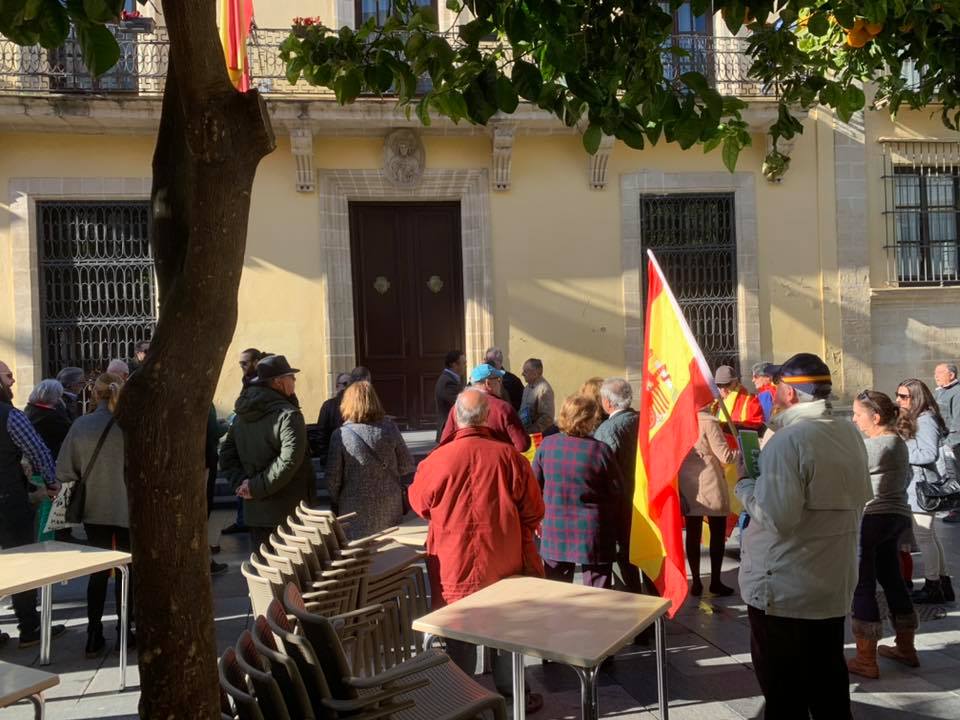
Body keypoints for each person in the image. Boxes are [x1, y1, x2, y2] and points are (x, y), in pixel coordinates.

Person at [734, 353, 872, 719]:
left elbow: (776, 516)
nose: (773, 394)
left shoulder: (787, 440)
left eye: (777, 387)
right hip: (829, 585)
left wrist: (746, 485)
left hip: (784, 592)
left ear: (791, 394)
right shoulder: (848, 432)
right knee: (828, 689)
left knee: (784, 697)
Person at [409, 388, 545, 714]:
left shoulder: (436, 460)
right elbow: (534, 509)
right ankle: (512, 696)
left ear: (455, 417)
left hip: (452, 560)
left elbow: (418, 503)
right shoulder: (509, 457)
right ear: (485, 417)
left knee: (459, 629)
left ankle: (461, 700)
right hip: (503, 560)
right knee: (504, 628)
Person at [56, 372, 131, 657]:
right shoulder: (130, 427)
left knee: (98, 573)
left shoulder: (81, 426)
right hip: (127, 508)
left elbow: (64, 470)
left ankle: (93, 634)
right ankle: (126, 631)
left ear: (94, 394)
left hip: (93, 509)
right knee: (128, 572)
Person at [847, 390, 918, 678]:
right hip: (894, 518)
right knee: (892, 579)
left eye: (858, 414)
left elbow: (846, 470)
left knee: (863, 584)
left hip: (873, 518)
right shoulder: (895, 442)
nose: (853, 419)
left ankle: (866, 659)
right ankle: (906, 647)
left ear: (875, 417)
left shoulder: (879, 444)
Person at [0, 360, 64, 648]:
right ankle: (28, 628)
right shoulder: (10, 416)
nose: (13, 382)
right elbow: (37, 450)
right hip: (8, 499)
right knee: (23, 561)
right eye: (8, 376)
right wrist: (51, 482)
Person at [220, 355, 315, 549]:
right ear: (278, 382)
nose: (294, 381)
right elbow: (288, 461)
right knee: (293, 574)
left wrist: (243, 484)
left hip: (256, 512)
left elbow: (226, 455)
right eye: (291, 377)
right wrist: (251, 487)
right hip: (288, 512)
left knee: (266, 573)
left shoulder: (241, 416)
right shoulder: (288, 415)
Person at [533, 394, 622, 588]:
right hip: (592, 530)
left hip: (556, 527)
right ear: (589, 420)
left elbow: (534, 487)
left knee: (556, 590)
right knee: (598, 593)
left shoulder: (547, 445)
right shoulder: (600, 450)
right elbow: (616, 491)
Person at [326, 381, 415, 538]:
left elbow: (333, 480)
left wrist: (336, 500)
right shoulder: (389, 428)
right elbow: (407, 465)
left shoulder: (340, 435)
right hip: (389, 505)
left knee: (359, 554)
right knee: (391, 550)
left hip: (353, 509)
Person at [895, 378, 954, 604]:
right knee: (929, 536)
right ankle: (942, 583)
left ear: (916, 398)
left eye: (904, 396)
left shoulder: (925, 419)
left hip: (922, 487)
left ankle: (933, 586)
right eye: (898, 395)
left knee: (924, 537)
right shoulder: (919, 418)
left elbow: (929, 454)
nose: (898, 400)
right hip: (918, 485)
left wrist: (903, 445)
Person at [679, 403, 740, 597]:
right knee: (717, 531)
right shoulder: (708, 421)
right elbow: (725, 455)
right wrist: (741, 451)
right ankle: (715, 580)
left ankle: (696, 581)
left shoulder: (680, 419)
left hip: (687, 480)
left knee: (693, 531)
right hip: (709, 480)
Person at [593, 378, 642, 594]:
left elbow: (603, 470)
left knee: (623, 558)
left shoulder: (608, 429)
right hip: (642, 498)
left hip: (620, 503)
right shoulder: (642, 421)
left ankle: (634, 601)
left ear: (608, 402)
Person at [438, 364, 530, 453]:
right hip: (498, 464)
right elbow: (522, 445)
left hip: (466, 464)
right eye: (498, 379)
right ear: (488, 383)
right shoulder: (503, 408)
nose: (500, 384)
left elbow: (444, 442)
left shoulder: (457, 407)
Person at [221, 348, 265, 536]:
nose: (241, 367)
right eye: (240, 363)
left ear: (256, 362)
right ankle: (242, 519)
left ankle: (249, 519)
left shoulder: (261, 382)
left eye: (245, 363)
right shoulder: (247, 380)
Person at [315, 367, 370, 465]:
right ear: (337, 386)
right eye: (344, 384)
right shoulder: (328, 405)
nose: (347, 387)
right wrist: (326, 456)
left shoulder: (359, 405)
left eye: (350, 384)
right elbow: (321, 433)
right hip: (334, 457)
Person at [933, 362, 960, 523]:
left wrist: (951, 443)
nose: (936, 376)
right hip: (942, 441)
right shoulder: (940, 392)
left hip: (953, 442)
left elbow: (958, 420)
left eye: (940, 372)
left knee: (955, 475)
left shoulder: (957, 392)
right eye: (935, 373)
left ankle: (956, 509)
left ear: (951, 375)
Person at [205, 404, 228, 575]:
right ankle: (206, 560)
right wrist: (225, 426)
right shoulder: (204, 400)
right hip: (205, 460)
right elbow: (213, 431)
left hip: (197, 460)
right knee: (203, 513)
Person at [24, 379, 72, 459]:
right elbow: (68, 432)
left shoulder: (30, 408)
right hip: (49, 457)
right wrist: (63, 409)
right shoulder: (51, 416)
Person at [713, 365, 764, 432]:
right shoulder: (714, 402)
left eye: (727, 384)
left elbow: (755, 428)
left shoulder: (750, 401)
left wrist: (727, 427)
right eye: (719, 385)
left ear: (736, 381)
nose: (723, 389)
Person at [434, 351, 465, 442]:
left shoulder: (452, 379)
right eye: (463, 363)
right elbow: (461, 404)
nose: (465, 366)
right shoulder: (447, 382)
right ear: (454, 365)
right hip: (449, 431)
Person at [520, 358, 556, 435]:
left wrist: (530, 431)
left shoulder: (544, 390)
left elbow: (547, 418)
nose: (522, 374)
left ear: (535, 373)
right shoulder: (527, 387)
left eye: (525, 371)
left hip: (539, 436)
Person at [484, 346, 523, 411]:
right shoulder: (480, 377)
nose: (486, 363)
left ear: (499, 361)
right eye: (486, 360)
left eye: (489, 360)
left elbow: (520, 403)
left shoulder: (513, 380)